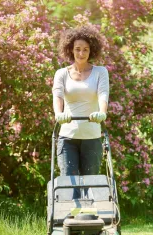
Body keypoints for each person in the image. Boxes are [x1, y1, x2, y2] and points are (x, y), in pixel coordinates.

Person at [52, 25, 109, 177]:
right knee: (68, 184)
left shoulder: (100, 72)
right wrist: (59, 113)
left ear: (91, 51)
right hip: (68, 137)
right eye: (77, 49)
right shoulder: (61, 74)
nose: (81, 53)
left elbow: (103, 94)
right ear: (71, 49)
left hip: (92, 137)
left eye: (85, 49)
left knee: (91, 184)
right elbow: (57, 95)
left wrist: (102, 113)